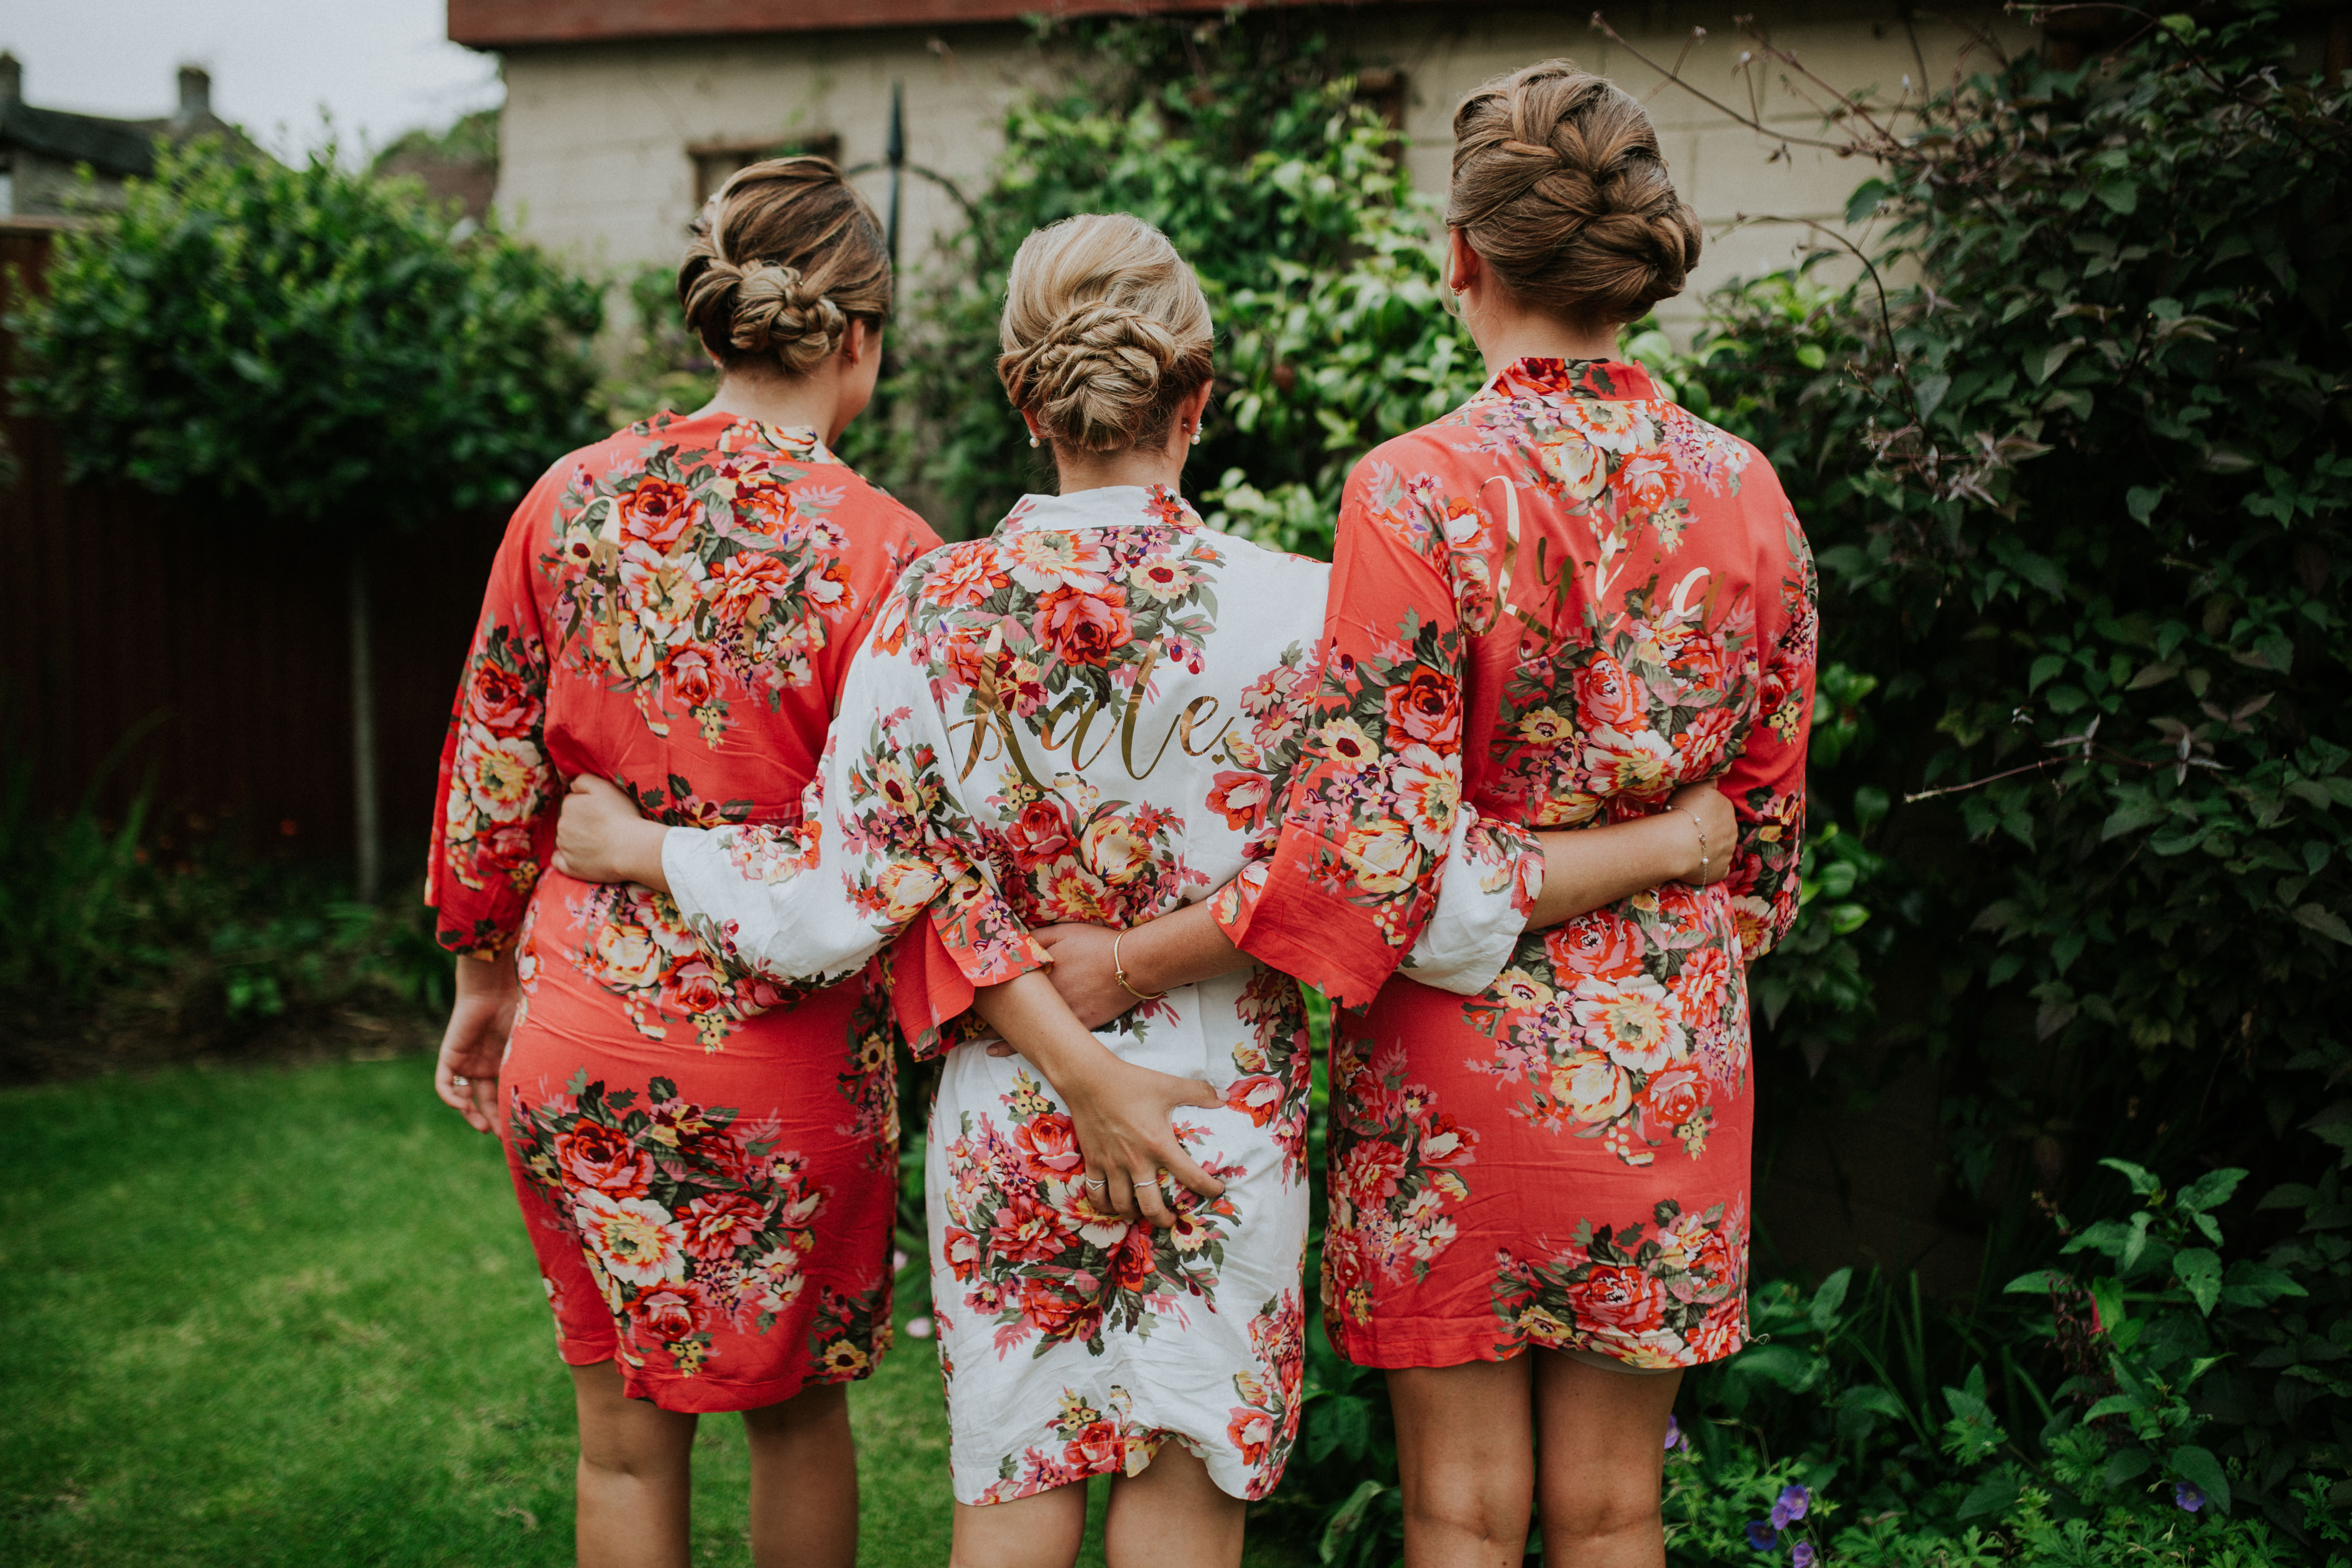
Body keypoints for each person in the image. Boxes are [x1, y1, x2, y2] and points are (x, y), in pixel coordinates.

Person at [551, 211, 1744, 1568]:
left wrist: (660, 852)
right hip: (1222, 1117)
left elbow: (845, 899)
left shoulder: (934, 611)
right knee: (1182, 1500)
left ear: (1022, 394)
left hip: (1014, 1110)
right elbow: (1378, 882)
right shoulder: (1306, 615)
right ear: (1201, 398)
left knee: (1014, 1498)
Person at [1044, 62, 1819, 1568]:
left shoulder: (1420, 493)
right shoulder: (1752, 498)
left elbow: (1371, 857)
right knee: (1618, 1517)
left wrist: (1136, 963)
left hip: (1456, 1072)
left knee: (1460, 1518)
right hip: (1666, 1050)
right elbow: (1761, 849)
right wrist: (1662, 870)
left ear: (1463, 256)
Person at [426, 156, 937, 1568]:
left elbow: (491, 774)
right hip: (791, 1062)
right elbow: (898, 850)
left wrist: (483, 978)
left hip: (579, 1028)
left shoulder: (569, 502)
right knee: (797, 1421)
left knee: (622, 1444)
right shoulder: (890, 553)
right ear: (857, 336)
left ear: (714, 324)